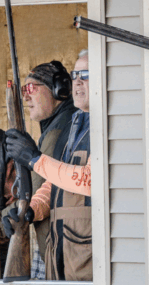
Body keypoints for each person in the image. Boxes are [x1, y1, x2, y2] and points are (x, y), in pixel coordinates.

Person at [3, 49, 92, 281]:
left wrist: (34, 159)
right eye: (75, 75)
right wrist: (31, 209)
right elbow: (53, 185)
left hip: (84, 255)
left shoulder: (70, 129)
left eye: (32, 88)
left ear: (58, 90)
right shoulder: (75, 123)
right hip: (61, 252)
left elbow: (88, 180)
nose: (26, 96)